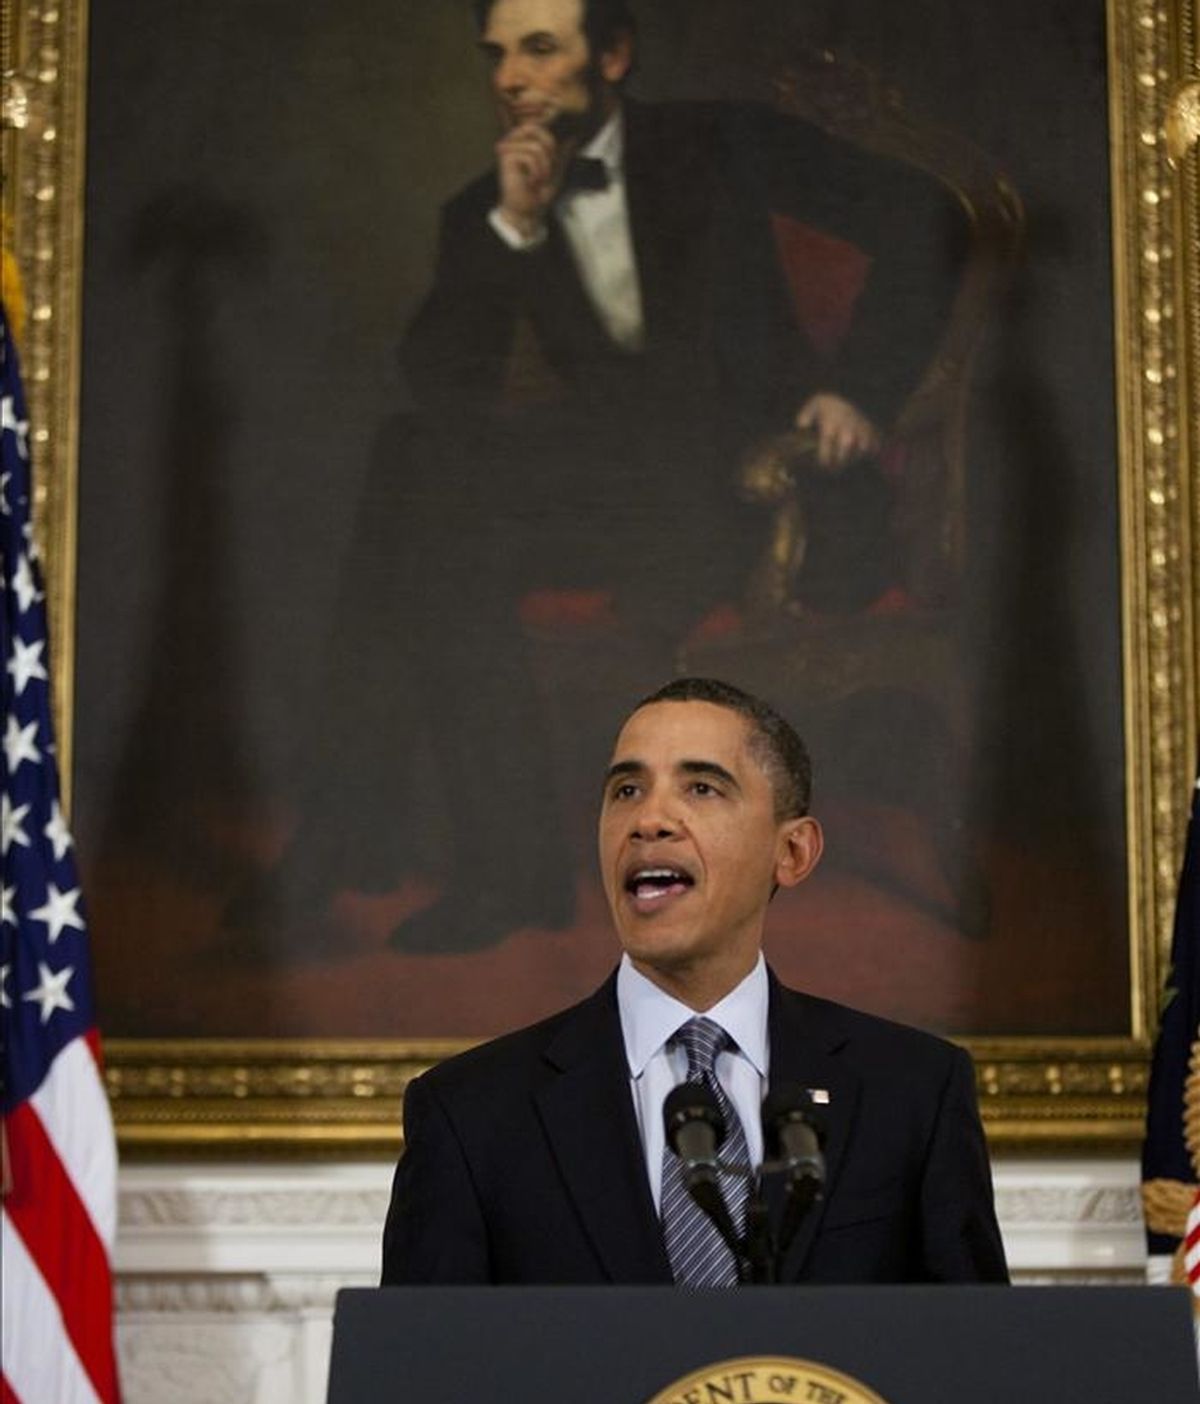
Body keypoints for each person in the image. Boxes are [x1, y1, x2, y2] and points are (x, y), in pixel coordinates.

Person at [243, 0, 966, 956]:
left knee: (418, 501)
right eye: (497, 55)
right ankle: (453, 858)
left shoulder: (725, 142)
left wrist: (857, 391)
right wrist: (513, 227)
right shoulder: (489, 207)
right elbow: (440, 386)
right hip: (618, 495)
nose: (511, 77)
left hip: (759, 490)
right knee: (413, 461)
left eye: (540, 48)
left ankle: (375, 848)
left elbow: (927, 217)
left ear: (615, 54)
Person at [381, 677, 1008, 1285]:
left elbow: (974, 1364)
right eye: (626, 790)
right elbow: (420, 1377)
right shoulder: (471, 1115)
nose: (649, 820)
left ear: (792, 852)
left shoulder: (914, 1094)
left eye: (702, 787)